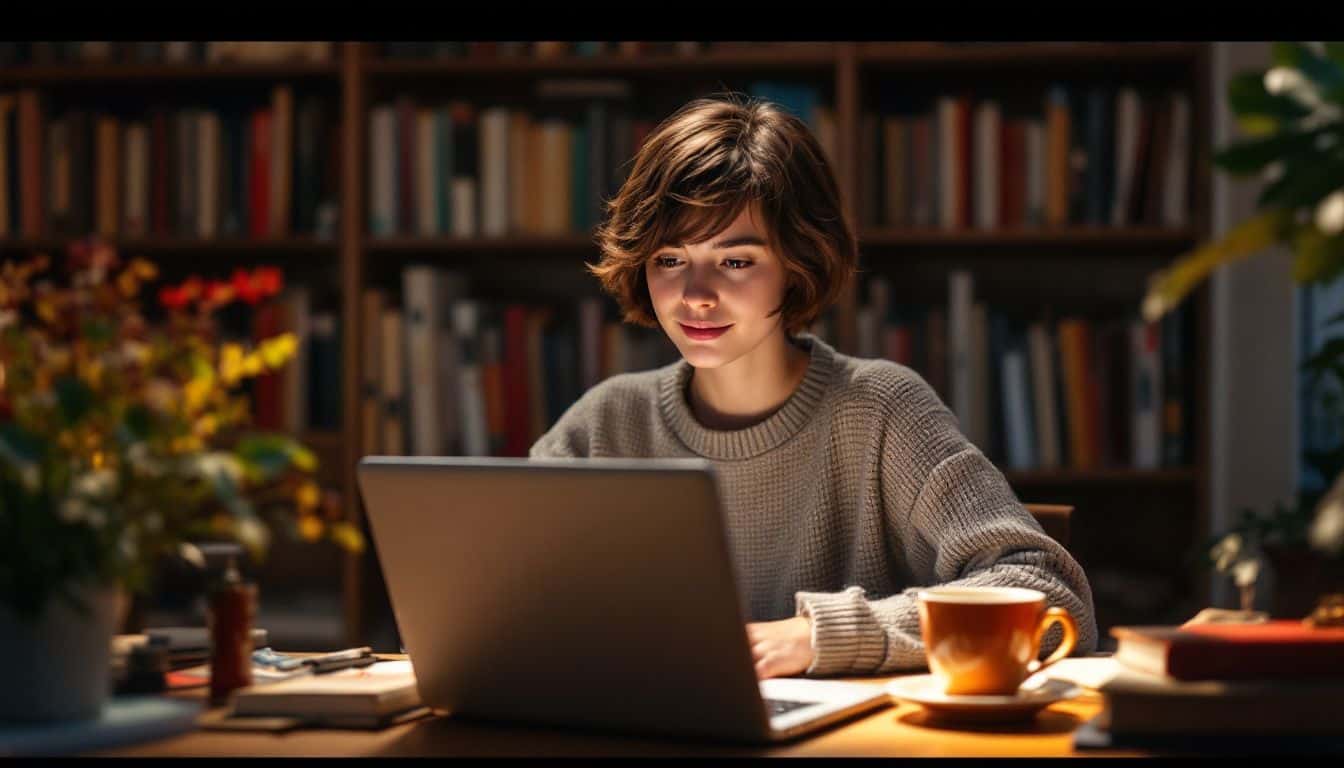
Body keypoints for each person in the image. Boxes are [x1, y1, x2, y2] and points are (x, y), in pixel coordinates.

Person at [529, 93, 1097, 679]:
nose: (695, 293)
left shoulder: (881, 410)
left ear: (797, 267)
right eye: (670, 259)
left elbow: (1049, 593)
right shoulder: (605, 423)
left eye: (736, 261)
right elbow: (500, 591)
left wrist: (822, 635)